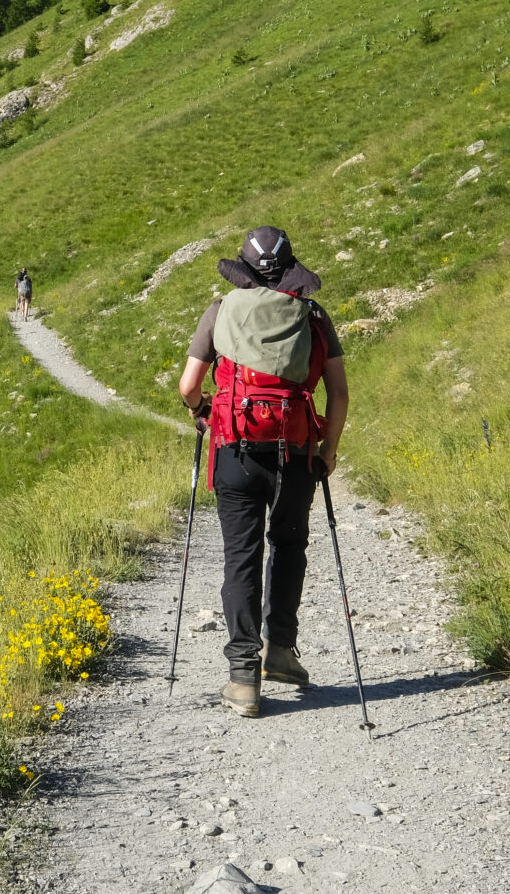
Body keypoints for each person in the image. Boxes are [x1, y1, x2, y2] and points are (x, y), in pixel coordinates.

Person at [176, 226, 349, 718]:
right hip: (294, 451)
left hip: (236, 450)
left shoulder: (220, 309)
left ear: (244, 269)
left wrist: (203, 410)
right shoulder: (313, 316)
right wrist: (328, 450)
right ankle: (281, 651)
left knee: (241, 557)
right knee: (289, 546)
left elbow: (189, 385)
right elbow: (338, 393)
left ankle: (243, 678)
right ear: (291, 269)